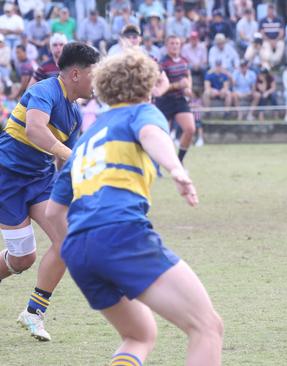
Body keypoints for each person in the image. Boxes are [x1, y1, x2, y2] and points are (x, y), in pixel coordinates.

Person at [48, 49, 223, 365]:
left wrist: (81, 245)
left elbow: (53, 212)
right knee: (207, 327)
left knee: (139, 335)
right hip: (120, 233)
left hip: (78, 250)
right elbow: (151, 134)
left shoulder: (88, 137)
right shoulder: (142, 111)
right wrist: (176, 168)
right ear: (149, 85)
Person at [0, 42, 99, 341]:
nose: (99, 82)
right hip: (8, 179)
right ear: (77, 74)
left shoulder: (75, 114)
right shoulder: (45, 90)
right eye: (95, 74)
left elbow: (65, 159)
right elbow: (35, 130)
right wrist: (72, 156)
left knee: (68, 240)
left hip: (42, 180)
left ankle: (34, 312)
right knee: (22, 260)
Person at [156, 36, 195, 164]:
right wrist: (178, 85)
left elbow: (187, 78)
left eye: (177, 43)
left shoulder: (184, 61)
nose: (175, 46)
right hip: (164, 100)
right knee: (162, 136)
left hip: (179, 99)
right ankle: (158, 164)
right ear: (167, 46)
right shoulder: (162, 63)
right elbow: (159, 87)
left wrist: (188, 88)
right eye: (172, 43)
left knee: (190, 129)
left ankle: (179, 161)